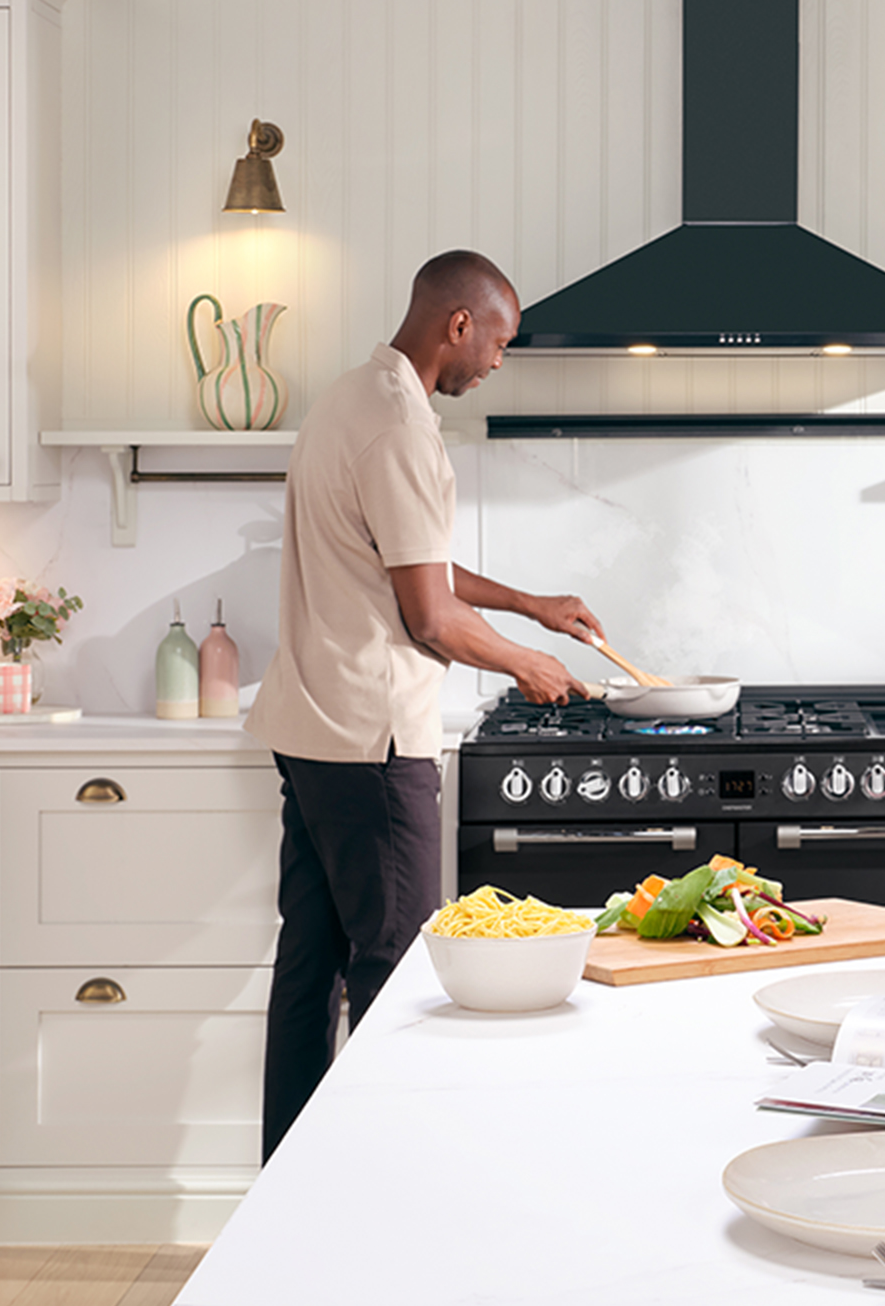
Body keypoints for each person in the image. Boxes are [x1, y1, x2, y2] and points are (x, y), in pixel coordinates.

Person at [245, 249, 604, 1160]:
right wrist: (528, 664)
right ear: (459, 324)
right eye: (500, 341)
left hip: (315, 729)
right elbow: (429, 614)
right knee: (396, 970)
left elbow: (412, 563)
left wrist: (532, 605)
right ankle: (385, 1173)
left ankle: (292, 1180)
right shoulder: (401, 424)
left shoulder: (353, 396)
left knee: (307, 970)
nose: (497, 361)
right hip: (372, 739)